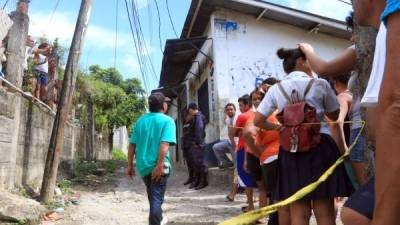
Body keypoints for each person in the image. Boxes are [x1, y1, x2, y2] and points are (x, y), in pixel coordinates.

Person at [254, 47, 353, 225]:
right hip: (320, 146)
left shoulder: (276, 89)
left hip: (291, 149)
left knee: (299, 213)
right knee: (325, 213)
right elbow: (334, 115)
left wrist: (283, 129)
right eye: (309, 59)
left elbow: (258, 120)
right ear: (301, 62)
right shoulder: (320, 84)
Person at [126, 92, 176, 225]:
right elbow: (164, 143)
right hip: (158, 167)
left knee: (153, 197)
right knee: (156, 200)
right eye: (166, 102)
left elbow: (131, 145)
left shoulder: (140, 121)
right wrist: (159, 165)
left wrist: (130, 165)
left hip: (143, 167)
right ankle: (157, 219)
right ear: (163, 106)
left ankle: (158, 217)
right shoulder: (167, 121)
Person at [232, 94, 256, 212]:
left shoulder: (242, 116)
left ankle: (250, 204)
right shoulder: (257, 114)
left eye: (241, 105)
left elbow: (236, 132)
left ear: (247, 105)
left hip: (244, 148)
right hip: (258, 148)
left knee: (245, 177)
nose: (239, 108)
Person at [183, 103, 208, 190]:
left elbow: (199, 130)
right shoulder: (194, 117)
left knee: (200, 164)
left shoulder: (198, 117)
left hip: (197, 144)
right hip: (192, 144)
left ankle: (203, 182)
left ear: (191, 109)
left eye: (188, 110)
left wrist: (197, 143)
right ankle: (196, 181)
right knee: (195, 163)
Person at [213, 103, 237, 169]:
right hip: (229, 142)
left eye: (231, 109)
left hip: (236, 145)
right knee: (216, 147)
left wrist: (235, 146)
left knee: (237, 166)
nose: (229, 111)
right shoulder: (228, 120)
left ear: (235, 110)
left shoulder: (238, 118)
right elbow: (229, 133)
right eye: (228, 110)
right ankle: (228, 163)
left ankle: (235, 165)